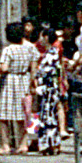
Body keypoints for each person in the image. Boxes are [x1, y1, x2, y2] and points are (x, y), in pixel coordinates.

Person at [0, 22, 37, 153]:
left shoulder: (8, 49)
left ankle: (5, 145)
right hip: (24, 79)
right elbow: (34, 67)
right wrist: (31, 81)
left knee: (3, 114)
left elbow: (4, 67)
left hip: (11, 81)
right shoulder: (30, 48)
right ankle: (23, 144)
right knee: (23, 113)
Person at [29, 28, 64, 156]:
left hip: (49, 88)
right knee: (47, 116)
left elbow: (46, 71)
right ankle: (51, 144)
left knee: (48, 117)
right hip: (48, 88)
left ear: (46, 37)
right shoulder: (51, 52)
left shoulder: (51, 53)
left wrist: (35, 76)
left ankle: (49, 144)